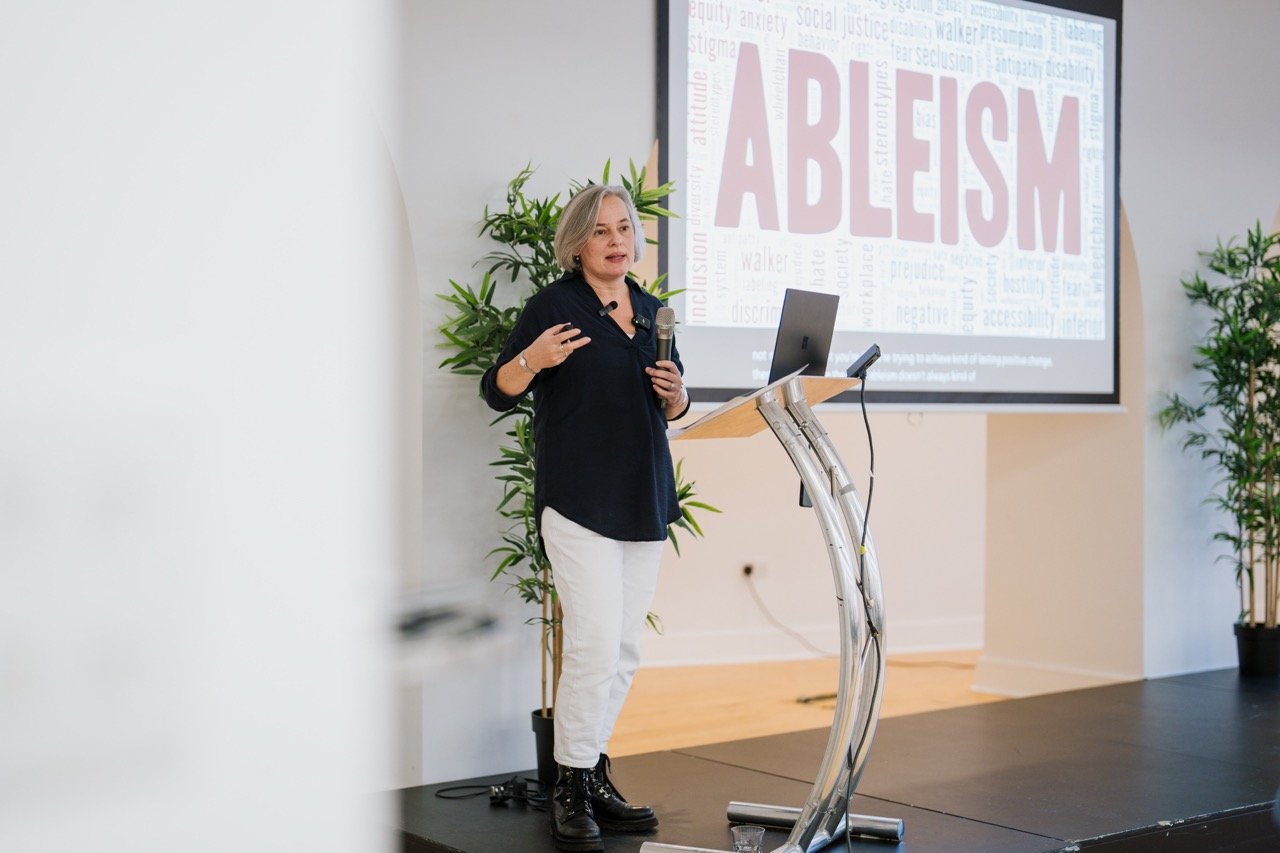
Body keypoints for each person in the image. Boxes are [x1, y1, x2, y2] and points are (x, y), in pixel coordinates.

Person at [481, 184, 689, 851]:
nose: (617, 240)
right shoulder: (555, 305)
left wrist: (679, 396)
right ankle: (569, 785)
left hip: (644, 495)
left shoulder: (655, 311)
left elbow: (674, 405)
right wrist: (531, 360)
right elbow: (497, 388)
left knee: (624, 648)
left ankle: (593, 771)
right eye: (601, 231)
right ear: (576, 243)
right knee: (594, 644)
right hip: (578, 501)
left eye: (625, 228)